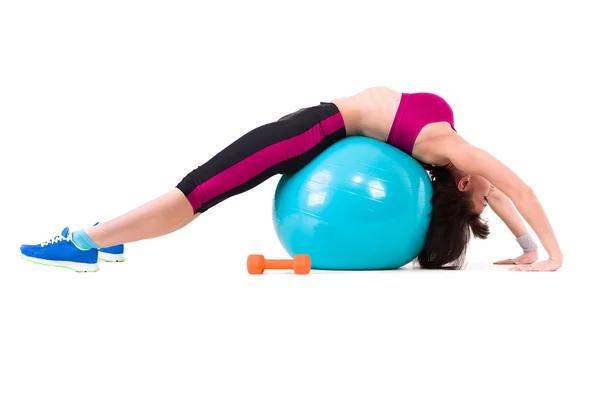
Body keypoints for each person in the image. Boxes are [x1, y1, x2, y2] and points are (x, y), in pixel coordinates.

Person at [19, 87, 563, 272]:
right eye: (489, 196)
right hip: (318, 131)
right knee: (201, 186)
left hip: (313, 132)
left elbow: (520, 192)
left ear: (465, 184)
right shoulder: (451, 158)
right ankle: (109, 238)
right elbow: (506, 200)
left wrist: (551, 255)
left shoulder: (451, 151)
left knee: (198, 192)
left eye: (484, 194)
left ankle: (88, 243)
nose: (493, 192)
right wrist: (529, 247)